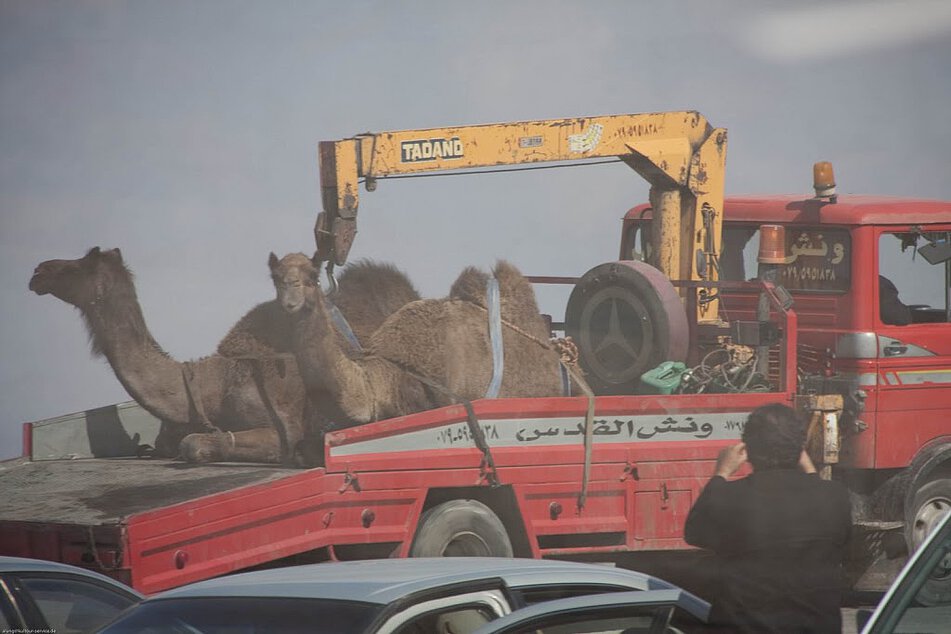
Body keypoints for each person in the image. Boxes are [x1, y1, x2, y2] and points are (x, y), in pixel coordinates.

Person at [684, 403, 852, 634]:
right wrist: (810, 470)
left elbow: (694, 532)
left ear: (748, 450)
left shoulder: (731, 498)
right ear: (801, 448)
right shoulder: (835, 497)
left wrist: (721, 473)